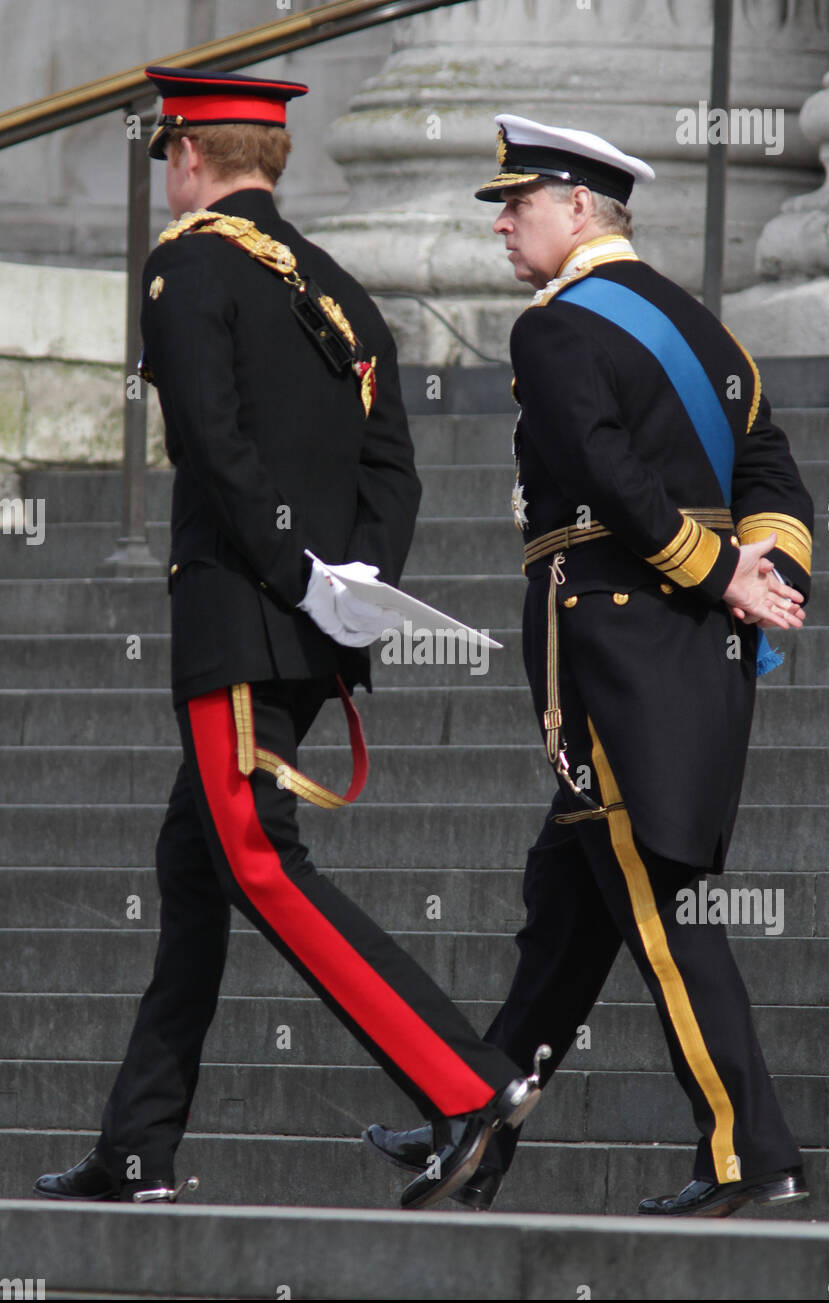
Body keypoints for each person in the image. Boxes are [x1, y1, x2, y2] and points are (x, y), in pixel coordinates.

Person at [33, 71, 547, 1213]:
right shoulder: (341, 285)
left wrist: (288, 572)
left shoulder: (187, 261)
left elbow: (209, 443)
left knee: (258, 859)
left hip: (237, 619)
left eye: (168, 155)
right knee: (193, 863)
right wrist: (346, 584)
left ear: (186, 158)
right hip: (311, 629)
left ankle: (465, 1086)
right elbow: (392, 470)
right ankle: (137, 1145)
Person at [364, 114, 814, 1218]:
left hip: (612, 644)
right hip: (694, 649)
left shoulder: (556, 327)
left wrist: (718, 571)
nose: (504, 224)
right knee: (567, 904)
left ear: (578, 208)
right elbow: (775, 477)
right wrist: (762, 568)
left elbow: (603, 470)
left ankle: (746, 1151)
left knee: (654, 901)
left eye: (518, 204)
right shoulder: (707, 331)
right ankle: (472, 1116)